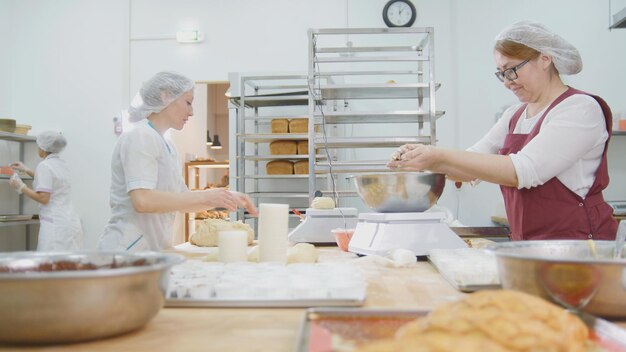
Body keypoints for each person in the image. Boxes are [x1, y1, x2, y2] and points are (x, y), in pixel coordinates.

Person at [388, 21, 617, 241]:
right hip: (529, 245)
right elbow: (469, 167)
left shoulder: (579, 108)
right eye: (501, 73)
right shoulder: (514, 115)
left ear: (545, 59)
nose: (507, 82)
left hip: (580, 245)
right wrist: (422, 159)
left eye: (511, 70)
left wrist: (437, 155)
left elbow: (523, 171)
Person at [99, 71, 258, 252]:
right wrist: (207, 196)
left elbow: (183, 200)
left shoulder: (167, 145)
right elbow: (142, 200)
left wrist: (225, 197)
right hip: (126, 250)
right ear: (165, 96)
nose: (191, 112)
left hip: (153, 250)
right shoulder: (139, 136)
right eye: (188, 102)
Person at [9, 131, 84, 250]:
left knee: (50, 264)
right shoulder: (61, 164)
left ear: (43, 149)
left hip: (55, 226)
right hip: (69, 222)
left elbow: (44, 198)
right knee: (68, 264)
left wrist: (21, 187)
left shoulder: (44, 166)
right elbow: (51, 182)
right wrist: (26, 170)